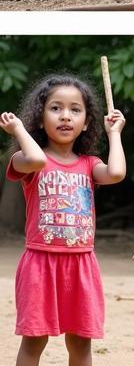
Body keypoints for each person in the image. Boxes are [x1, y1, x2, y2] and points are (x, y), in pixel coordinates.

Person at [2, 73, 126, 366]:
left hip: (81, 264)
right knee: (34, 342)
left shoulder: (90, 164)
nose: (65, 116)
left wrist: (115, 133)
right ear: (40, 117)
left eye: (75, 110)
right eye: (55, 108)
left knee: (81, 344)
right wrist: (20, 129)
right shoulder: (27, 159)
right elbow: (37, 160)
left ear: (86, 123)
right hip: (40, 264)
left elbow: (117, 173)